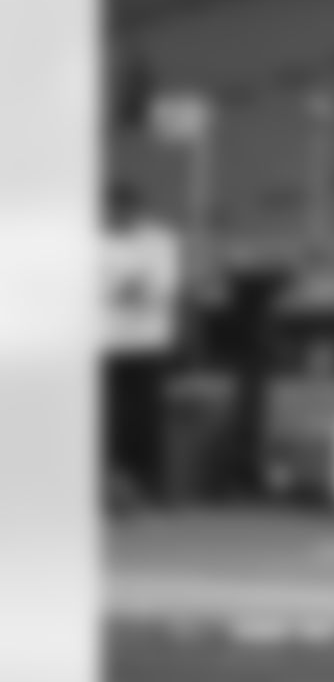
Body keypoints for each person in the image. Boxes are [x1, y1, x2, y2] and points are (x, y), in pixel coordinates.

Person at [103, 182, 182, 507]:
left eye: (125, 210)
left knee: (144, 418)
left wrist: (115, 290)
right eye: (113, 211)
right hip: (102, 342)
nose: (118, 216)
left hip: (145, 343)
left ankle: (148, 484)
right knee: (107, 417)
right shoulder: (90, 239)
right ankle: (110, 482)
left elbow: (156, 288)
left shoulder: (159, 241)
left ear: (136, 210)